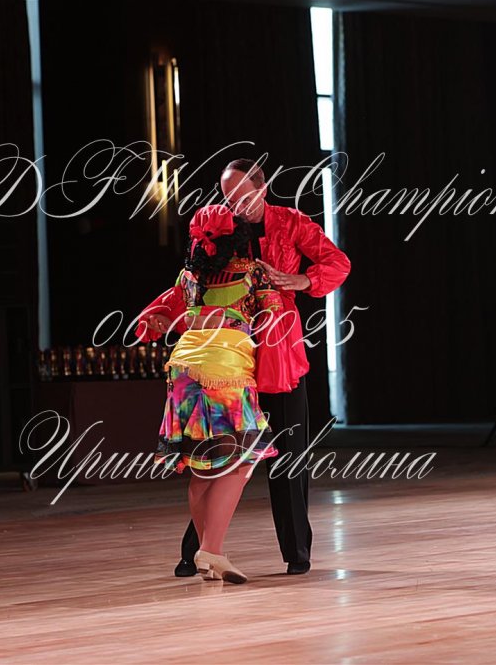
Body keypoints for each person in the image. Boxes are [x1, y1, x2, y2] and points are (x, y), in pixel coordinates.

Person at [137, 158, 352, 576]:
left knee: (287, 456)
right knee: (216, 457)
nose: (236, 205)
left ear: (263, 188)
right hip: (227, 362)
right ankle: (197, 551)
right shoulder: (219, 231)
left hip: (277, 355)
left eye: (243, 196)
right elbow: (189, 284)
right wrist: (160, 315)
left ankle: (296, 553)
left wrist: (303, 281)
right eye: (228, 198)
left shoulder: (291, 223)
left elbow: (337, 262)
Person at [147, 204, 284, 584]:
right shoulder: (253, 272)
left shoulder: (189, 276)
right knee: (240, 462)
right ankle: (211, 549)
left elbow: (176, 315)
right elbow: (273, 318)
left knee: (200, 467)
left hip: (182, 369)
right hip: (225, 369)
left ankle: (210, 557)